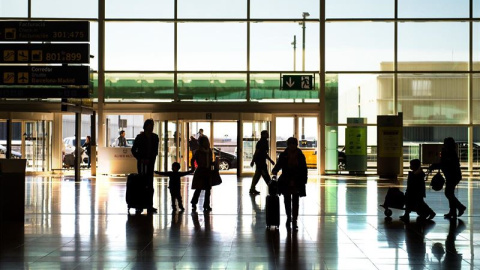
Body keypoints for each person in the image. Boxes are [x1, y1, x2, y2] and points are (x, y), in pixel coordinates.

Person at [272, 137, 308, 230]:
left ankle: (294, 220)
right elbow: (279, 164)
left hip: (296, 180)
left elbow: (304, 168)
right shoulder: (285, 155)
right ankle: (289, 218)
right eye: (291, 144)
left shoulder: (299, 155)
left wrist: (304, 180)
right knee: (287, 200)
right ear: (288, 145)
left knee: (295, 201)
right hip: (287, 180)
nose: (292, 146)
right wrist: (275, 170)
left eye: (293, 144)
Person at [429, 137, 466, 219]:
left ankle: (460, 207)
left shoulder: (449, 152)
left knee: (448, 193)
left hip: (452, 176)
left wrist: (434, 166)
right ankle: (453, 212)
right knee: (450, 193)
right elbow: (445, 163)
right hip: (453, 175)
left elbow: (445, 164)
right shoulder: (449, 151)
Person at [131, 119, 159, 214]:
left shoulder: (155, 137)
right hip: (142, 163)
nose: (151, 127)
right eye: (150, 126)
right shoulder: (140, 137)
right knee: (141, 183)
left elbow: (155, 151)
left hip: (150, 163)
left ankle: (149, 205)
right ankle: (140, 205)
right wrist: (140, 158)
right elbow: (134, 149)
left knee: (150, 184)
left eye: (152, 126)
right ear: (146, 126)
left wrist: (151, 159)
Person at [190, 135, 213, 212]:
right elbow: (193, 160)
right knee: (199, 188)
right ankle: (195, 202)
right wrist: (193, 168)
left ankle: (206, 204)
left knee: (207, 189)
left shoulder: (209, 151)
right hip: (201, 171)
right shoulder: (199, 151)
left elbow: (210, 161)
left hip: (206, 171)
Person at [249, 130, 275, 195]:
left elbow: (263, 153)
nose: (268, 135)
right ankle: (271, 188)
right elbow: (260, 153)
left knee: (258, 175)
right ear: (263, 135)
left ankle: (252, 189)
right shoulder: (262, 143)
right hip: (260, 162)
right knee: (265, 175)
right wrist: (270, 160)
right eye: (267, 134)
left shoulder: (262, 142)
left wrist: (253, 161)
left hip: (260, 161)